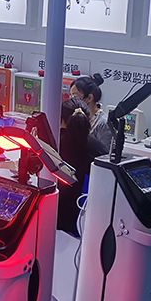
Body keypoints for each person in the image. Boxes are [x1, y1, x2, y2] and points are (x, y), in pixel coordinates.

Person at [56, 97, 108, 236]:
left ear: (60, 119)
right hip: (87, 218)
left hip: (56, 213)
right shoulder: (98, 148)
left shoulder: (54, 144)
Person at [70, 73, 114, 149]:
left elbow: (104, 152)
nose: (71, 101)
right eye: (71, 96)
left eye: (75, 97)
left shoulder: (103, 123)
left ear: (90, 98)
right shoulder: (76, 117)